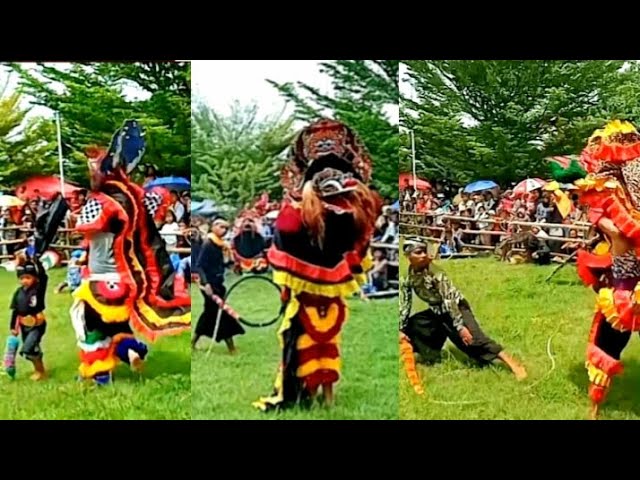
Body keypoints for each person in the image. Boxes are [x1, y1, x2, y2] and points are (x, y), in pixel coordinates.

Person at [399, 236, 527, 386]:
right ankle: (428, 357)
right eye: (418, 252)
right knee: (414, 325)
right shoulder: (406, 277)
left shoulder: (436, 273)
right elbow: (404, 303)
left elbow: (449, 300)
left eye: (424, 252)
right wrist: (400, 328)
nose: (423, 255)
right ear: (408, 256)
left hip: (457, 308)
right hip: (437, 310)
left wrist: (460, 327)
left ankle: (513, 364)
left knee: (474, 339)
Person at [193, 217, 245, 353]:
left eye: (226, 228)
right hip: (209, 285)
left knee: (209, 314)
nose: (224, 231)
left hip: (218, 283)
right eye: (221, 227)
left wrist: (233, 266)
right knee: (222, 314)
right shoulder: (208, 244)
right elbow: (200, 266)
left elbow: (220, 264)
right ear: (214, 227)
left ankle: (193, 341)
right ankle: (231, 347)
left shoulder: (222, 245)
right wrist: (206, 283)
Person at [10, 253, 48, 380]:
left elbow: (43, 277)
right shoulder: (18, 293)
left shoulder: (38, 289)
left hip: (37, 324)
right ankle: (40, 370)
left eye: (28, 277)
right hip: (23, 325)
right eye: (22, 278)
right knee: (33, 349)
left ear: (34, 278)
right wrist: (13, 327)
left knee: (27, 349)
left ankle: (40, 370)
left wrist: (37, 262)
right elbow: (15, 311)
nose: (24, 281)